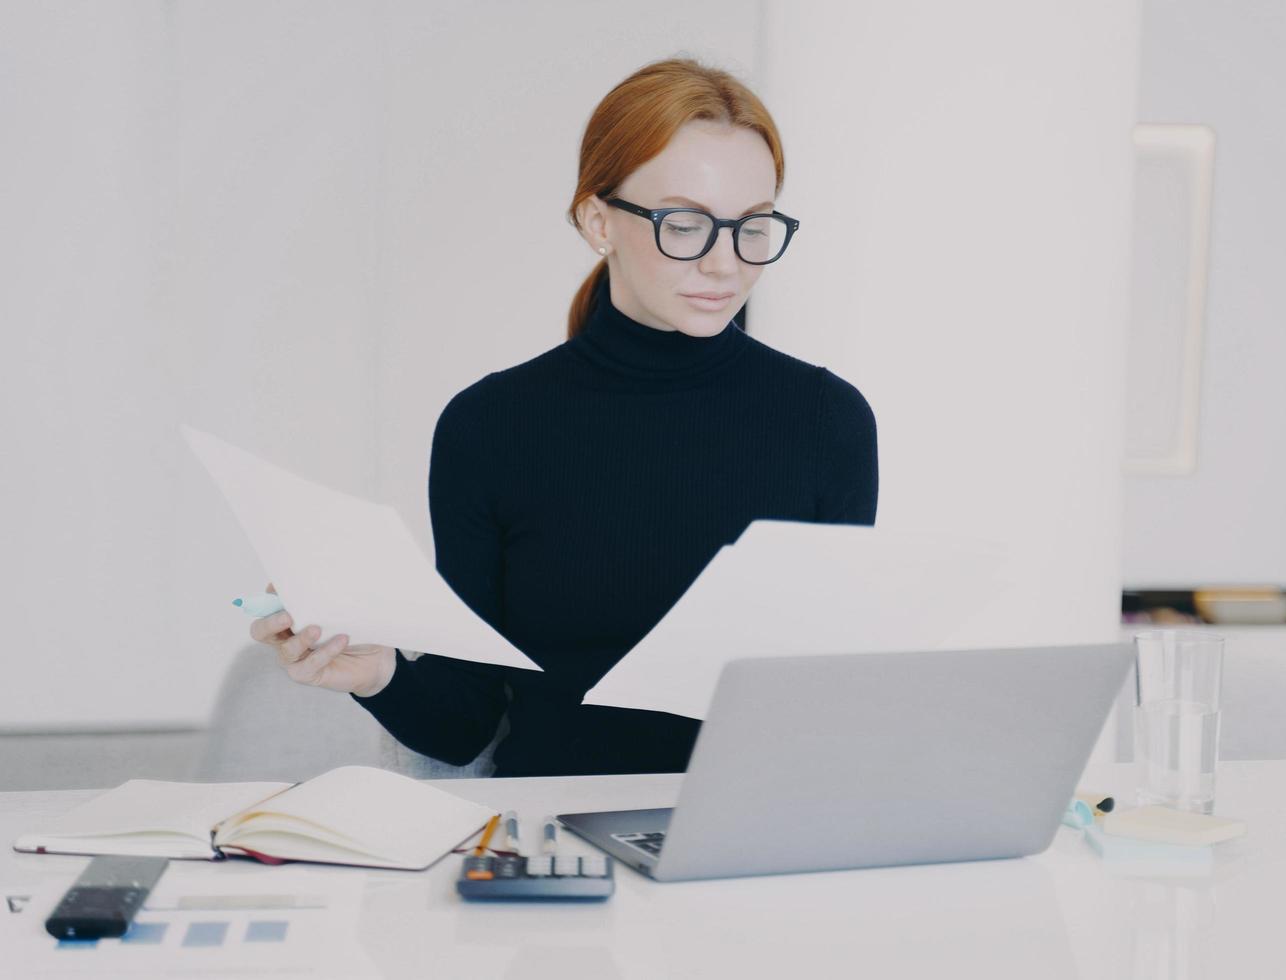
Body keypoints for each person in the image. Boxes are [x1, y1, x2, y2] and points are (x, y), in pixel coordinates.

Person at [248, 56, 878, 777]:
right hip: (556, 839)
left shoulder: (828, 422)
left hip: (757, 833)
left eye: (753, 227)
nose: (725, 264)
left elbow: (828, 699)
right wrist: (375, 676)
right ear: (597, 221)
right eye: (685, 224)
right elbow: (462, 724)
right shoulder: (491, 427)